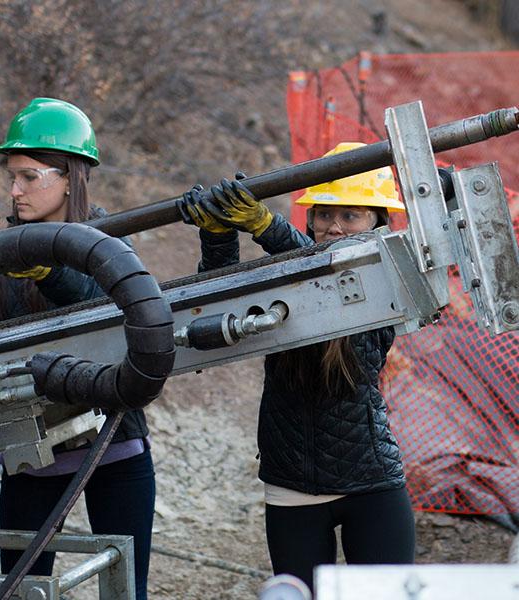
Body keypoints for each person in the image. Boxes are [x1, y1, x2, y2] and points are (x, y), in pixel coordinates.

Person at [0, 98, 154, 600]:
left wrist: (54, 271)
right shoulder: (0, 255)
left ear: (70, 176)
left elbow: (116, 308)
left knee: (128, 590)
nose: (14, 190)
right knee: (22, 592)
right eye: (12, 176)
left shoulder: (112, 242)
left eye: (29, 177)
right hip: (28, 452)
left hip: (112, 446)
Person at [181, 142, 415, 591]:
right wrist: (218, 234)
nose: (333, 227)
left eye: (351, 216)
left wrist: (268, 227)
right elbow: (219, 301)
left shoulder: (387, 287)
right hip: (290, 487)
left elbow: (326, 276)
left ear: (378, 223)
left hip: (371, 483)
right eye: (325, 214)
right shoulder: (285, 271)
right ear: (310, 218)